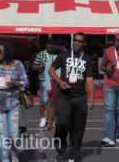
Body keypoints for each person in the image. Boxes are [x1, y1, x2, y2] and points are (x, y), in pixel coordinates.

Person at [49, 32, 94, 162]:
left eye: (79, 41)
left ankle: (73, 153)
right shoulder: (64, 54)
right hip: (64, 96)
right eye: (75, 40)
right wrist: (59, 82)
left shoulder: (87, 59)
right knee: (61, 125)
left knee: (78, 128)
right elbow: (51, 70)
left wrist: (92, 97)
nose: (76, 43)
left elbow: (90, 79)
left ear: (84, 44)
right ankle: (60, 150)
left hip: (80, 97)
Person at [0, 41, 29, 162]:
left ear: (7, 52)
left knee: (14, 135)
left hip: (13, 103)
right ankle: (5, 159)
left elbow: (26, 82)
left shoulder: (17, 65)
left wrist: (14, 83)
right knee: (2, 134)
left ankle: (14, 153)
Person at [33, 41, 52, 128]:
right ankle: (43, 119)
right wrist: (43, 66)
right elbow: (34, 67)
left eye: (52, 47)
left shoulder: (56, 54)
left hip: (54, 80)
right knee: (43, 101)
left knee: (53, 101)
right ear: (46, 45)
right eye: (49, 47)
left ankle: (52, 120)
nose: (50, 49)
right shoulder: (41, 55)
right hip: (44, 80)